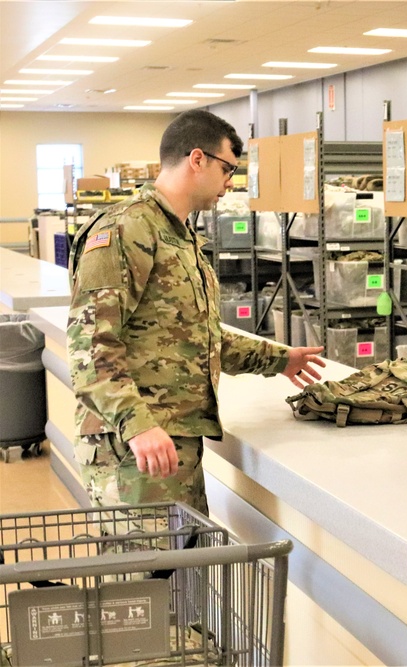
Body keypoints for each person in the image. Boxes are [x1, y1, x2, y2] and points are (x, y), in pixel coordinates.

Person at [68, 109, 326, 515]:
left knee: (182, 569)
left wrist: (281, 359)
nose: (230, 182)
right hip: (135, 450)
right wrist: (138, 426)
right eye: (228, 168)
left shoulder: (179, 234)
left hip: (172, 445)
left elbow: (195, 338)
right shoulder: (128, 229)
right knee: (148, 575)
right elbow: (90, 347)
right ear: (197, 159)